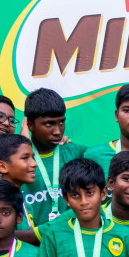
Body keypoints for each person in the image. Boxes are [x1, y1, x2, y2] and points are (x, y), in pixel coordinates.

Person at [19, 88, 83, 226]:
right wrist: (22, 144)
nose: (57, 131)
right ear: (30, 125)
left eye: (61, 122)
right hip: (29, 242)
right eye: (49, 124)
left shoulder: (74, 152)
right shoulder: (15, 159)